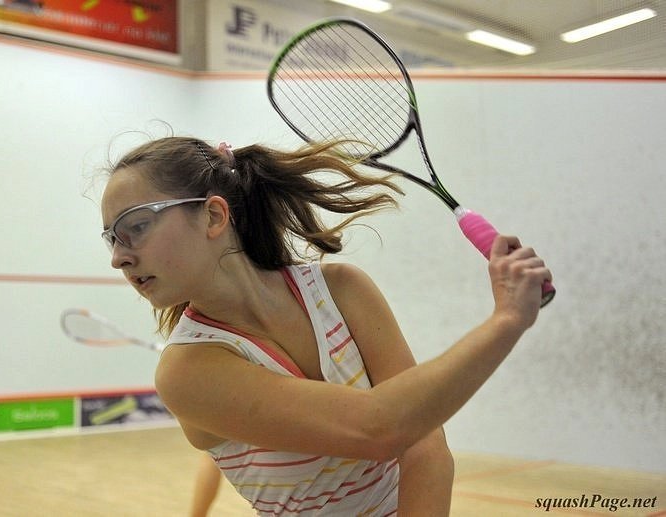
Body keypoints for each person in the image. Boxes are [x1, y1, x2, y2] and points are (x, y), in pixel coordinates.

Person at [99, 135, 552, 516]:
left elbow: (423, 443)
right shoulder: (187, 372)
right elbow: (377, 429)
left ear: (214, 216)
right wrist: (507, 321)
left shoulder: (341, 290)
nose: (119, 257)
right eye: (111, 239)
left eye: (135, 226)